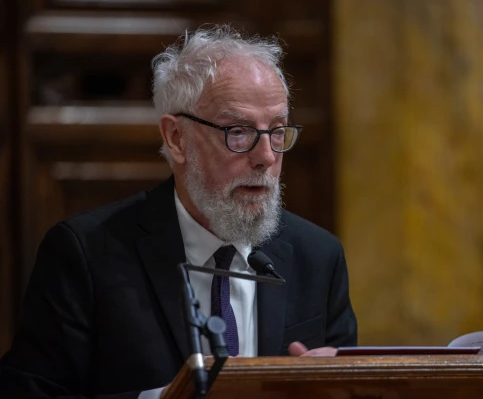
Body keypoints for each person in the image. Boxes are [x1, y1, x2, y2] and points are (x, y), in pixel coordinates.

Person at [0, 25, 357, 398]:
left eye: (278, 131)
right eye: (238, 131)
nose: (266, 157)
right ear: (176, 138)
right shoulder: (85, 255)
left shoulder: (318, 257)